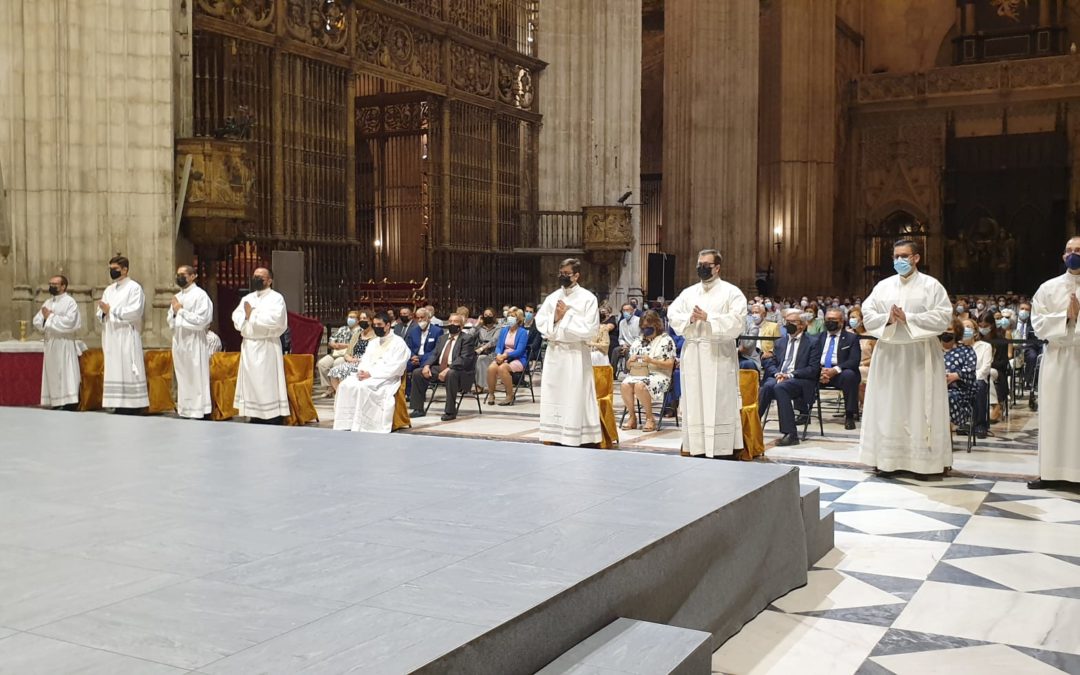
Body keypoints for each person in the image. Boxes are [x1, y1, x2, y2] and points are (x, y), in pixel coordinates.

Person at [858, 239, 953, 475]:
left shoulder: (932, 286)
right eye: (895, 256)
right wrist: (887, 319)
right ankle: (887, 460)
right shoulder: (883, 286)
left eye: (904, 256)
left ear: (916, 258)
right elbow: (867, 313)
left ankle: (924, 463)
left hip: (920, 354)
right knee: (889, 405)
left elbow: (943, 317)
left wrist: (909, 317)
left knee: (920, 406)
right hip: (889, 354)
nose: (899, 260)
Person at [667, 249, 746, 458]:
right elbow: (672, 314)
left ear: (717, 268)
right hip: (693, 352)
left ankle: (722, 448)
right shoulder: (689, 292)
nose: (701, 268)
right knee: (694, 399)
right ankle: (696, 445)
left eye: (706, 264)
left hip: (718, 353)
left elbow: (738, 322)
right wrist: (690, 320)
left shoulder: (732, 292)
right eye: (699, 264)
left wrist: (709, 317)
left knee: (718, 400)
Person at [1028, 236, 1080, 488]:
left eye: (1078, 250)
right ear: (1063, 256)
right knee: (1053, 413)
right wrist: (1065, 317)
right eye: (1069, 250)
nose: (1073, 254)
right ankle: (1050, 472)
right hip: (1057, 357)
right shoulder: (1048, 288)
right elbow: (1037, 324)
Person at [535, 258, 602, 446]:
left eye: (567, 274)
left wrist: (567, 316)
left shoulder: (588, 298)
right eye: (561, 273)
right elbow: (541, 323)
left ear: (577, 275)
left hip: (575, 353)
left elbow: (591, 329)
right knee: (554, 392)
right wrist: (555, 318)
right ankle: (553, 433)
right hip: (555, 351)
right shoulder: (552, 297)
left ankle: (577, 435)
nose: (562, 277)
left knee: (575, 393)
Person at [333, 312, 411, 433]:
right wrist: (362, 371)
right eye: (374, 325)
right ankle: (348, 422)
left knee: (364, 387)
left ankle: (366, 424)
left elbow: (396, 367)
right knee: (345, 385)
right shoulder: (373, 342)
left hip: (386, 377)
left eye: (379, 324)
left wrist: (372, 374)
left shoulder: (398, 343)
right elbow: (364, 360)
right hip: (367, 375)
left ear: (388, 325)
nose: (376, 327)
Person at [231, 267, 289, 424]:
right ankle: (254, 413)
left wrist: (253, 315)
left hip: (267, 346)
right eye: (255, 276)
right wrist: (247, 317)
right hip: (249, 345)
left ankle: (271, 416)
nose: (256, 279)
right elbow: (236, 316)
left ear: (269, 280)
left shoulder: (276, 298)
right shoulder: (247, 298)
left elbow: (277, 320)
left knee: (266, 381)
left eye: (261, 277)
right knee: (251, 382)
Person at [759, 309, 823, 446]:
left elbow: (813, 369)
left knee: (780, 387)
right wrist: (777, 373)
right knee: (767, 386)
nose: (787, 325)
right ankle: (751, 425)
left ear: (802, 325)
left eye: (792, 322)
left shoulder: (813, 342)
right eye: (786, 322)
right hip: (780, 376)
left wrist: (789, 375)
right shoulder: (780, 342)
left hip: (801, 380)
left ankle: (791, 434)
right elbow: (771, 361)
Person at [97, 255, 149, 412]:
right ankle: (117, 402)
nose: (112, 272)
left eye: (115, 269)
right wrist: (104, 313)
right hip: (111, 334)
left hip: (127, 334)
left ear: (125, 269)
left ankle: (133, 405)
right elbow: (101, 310)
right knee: (114, 367)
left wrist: (110, 311)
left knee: (128, 366)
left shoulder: (134, 288)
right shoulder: (109, 289)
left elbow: (135, 311)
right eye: (110, 269)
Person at [409, 312, 478, 420]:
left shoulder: (467, 339)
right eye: (450, 321)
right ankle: (418, 409)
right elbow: (434, 354)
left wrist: (448, 369)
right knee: (418, 372)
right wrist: (427, 365)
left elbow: (464, 359)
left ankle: (450, 411)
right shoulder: (442, 338)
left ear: (461, 325)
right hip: (441, 368)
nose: (452, 324)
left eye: (455, 322)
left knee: (451, 373)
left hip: (460, 372)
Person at [167, 265, 213, 419]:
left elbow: (203, 320)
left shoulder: (201, 295)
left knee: (195, 375)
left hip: (194, 340)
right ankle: (185, 408)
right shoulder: (177, 296)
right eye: (178, 274)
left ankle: (199, 410)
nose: (179, 277)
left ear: (193, 276)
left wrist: (180, 311)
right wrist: (174, 313)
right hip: (180, 340)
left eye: (183, 274)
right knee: (182, 375)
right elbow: (170, 321)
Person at [619, 310, 676, 432]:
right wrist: (630, 361)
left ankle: (650, 418)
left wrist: (651, 361)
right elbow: (628, 367)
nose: (646, 330)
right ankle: (632, 417)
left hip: (660, 374)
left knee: (640, 386)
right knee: (625, 385)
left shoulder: (666, 340)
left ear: (656, 325)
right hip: (639, 373)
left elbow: (670, 365)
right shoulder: (638, 341)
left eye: (648, 327)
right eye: (643, 327)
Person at [33, 274, 82, 409]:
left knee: (65, 372)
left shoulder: (70, 302)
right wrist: (45, 319)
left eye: (55, 284)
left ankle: (69, 402)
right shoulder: (48, 302)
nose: (51, 286)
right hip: (51, 344)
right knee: (53, 373)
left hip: (64, 343)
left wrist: (50, 317)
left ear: (63, 286)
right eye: (50, 283)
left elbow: (71, 322)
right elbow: (37, 320)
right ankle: (55, 401)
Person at [818, 307, 862, 430]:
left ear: (841, 321)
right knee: (803, 375)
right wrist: (820, 371)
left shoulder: (851, 338)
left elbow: (854, 360)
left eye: (833, 319)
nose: (830, 322)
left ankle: (849, 415)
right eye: (828, 319)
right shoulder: (818, 338)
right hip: (820, 371)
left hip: (840, 371)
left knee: (850, 375)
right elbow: (811, 357)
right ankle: (802, 412)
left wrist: (835, 370)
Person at [486, 307, 529, 406]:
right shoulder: (504, 330)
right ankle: (491, 395)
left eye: (512, 316)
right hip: (503, 357)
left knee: (502, 368)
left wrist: (506, 355)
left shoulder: (522, 332)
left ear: (518, 319)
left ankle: (510, 396)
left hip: (517, 359)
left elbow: (519, 351)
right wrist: (499, 355)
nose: (510, 318)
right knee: (491, 368)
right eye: (509, 316)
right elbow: (499, 346)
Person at [326, 311, 375, 395]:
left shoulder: (376, 336)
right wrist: (350, 359)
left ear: (370, 321)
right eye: (360, 319)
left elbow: (375, 354)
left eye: (364, 318)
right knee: (333, 372)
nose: (362, 320)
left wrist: (361, 360)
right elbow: (347, 352)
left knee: (350, 374)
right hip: (353, 361)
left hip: (366, 362)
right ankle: (341, 395)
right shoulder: (357, 334)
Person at [942, 319, 977, 432]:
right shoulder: (934, 350)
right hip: (935, 387)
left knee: (948, 397)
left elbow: (970, 370)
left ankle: (953, 423)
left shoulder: (966, 351)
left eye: (949, 329)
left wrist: (955, 376)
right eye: (943, 329)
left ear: (956, 332)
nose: (946, 332)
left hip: (958, 390)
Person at [318, 312, 361, 397]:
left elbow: (357, 344)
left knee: (337, 363)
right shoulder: (343, 328)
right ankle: (330, 387)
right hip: (335, 352)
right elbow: (332, 339)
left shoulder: (360, 331)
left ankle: (338, 387)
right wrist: (333, 343)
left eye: (352, 317)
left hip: (347, 354)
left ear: (357, 320)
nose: (350, 319)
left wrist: (343, 345)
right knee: (322, 363)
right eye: (349, 317)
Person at [962, 317, 991, 438]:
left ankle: (980, 425)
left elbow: (986, 367)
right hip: (959, 379)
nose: (965, 329)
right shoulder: (956, 348)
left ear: (975, 331)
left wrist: (971, 378)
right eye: (962, 327)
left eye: (968, 327)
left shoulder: (985, 346)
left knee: (978, 386)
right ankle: (960, 421)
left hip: (978, 378)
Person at [977, 311, 1009, 423]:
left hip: (995, 370)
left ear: (992, 325)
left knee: (988, 372)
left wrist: (988, 364)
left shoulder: (1001, 340)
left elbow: (1004, 362)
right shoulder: (977, 340)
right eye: (980, 326)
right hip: (977, 368)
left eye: (985, 326)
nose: (982, 329)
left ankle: (995, 405)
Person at [849, 307, 874, 409]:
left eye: (854, 317)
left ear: (862, 320)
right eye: (850, 317)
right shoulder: (848, 334)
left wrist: (861, 363)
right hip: (850, 365)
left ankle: (864, 405)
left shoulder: (871, 336)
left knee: (857, 372)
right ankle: (851, 407)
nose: (851, 320)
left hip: (866, 366)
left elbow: (875, 357)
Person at [404, 307, 442, 374]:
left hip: (428, 360)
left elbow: (437, 350)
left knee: (418, 371)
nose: (420, 320)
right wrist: (413, 356)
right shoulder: (413, 331)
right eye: (417, 318)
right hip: (414, 359)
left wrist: (420, 358)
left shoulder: (437, 331)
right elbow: (408, 347)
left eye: (422, 317)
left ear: (428, 318)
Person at [473, 308, 501, 393]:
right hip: (478, 352)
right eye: (485, 315)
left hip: (492, 353)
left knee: (481, 358)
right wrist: (477, 324)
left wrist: (482, 348)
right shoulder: (480, 328)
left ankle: (480, 386)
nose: (487, 317)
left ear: (494, 316)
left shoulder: (498, 328)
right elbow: (468, 336)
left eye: (490, 315)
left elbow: (494, 341)